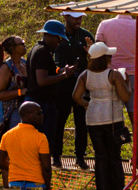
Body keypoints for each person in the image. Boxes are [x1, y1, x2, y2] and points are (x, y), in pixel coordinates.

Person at [71, 43, 130, 190]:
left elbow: (76, 96)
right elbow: (125, 97)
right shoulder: (114, 74)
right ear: (104, 58)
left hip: (93, 119)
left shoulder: (85, 75)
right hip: (113, 119)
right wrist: (127, 83)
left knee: (101, 157)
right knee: (114, 156)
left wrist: (88, 104)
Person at [94, 14, 138, 127]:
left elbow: (98, 49)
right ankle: (137, 145)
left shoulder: (104, 25)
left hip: (111, 76)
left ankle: (115, 144)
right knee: (135, 118)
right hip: (134, 76)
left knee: (112, 118)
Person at [24, 20, 75, 167]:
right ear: (51, 36)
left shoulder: (36, 49)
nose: (59, 43)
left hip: (36, 101)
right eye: (58, 39)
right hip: (42, 103)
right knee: (44, 143)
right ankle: (41, 173)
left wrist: (60, 70)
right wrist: (65, 76)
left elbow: (44, 71)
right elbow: (42, 80)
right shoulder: (43, 52)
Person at [54, 12, 93, 170]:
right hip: (61, 86)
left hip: (82, 86)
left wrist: (92, 52)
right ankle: (56, 157)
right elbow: (50, 62)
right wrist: (60, 70)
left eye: (80, 18)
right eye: (74, 18)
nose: (78, 21)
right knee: (59, 122)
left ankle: (80, 157)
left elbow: (96, 61)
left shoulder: (86, 36)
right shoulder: (57, 35)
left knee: (81, 123)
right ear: (65, 17)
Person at [0, 35, 29, 154]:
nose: (25, 45)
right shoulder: (6, 68)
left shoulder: (24, 63)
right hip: (8, 111)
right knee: (12, 145)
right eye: (21, 43)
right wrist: (20, 92)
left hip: (23, 108)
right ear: (13, 49)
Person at [0, 101, 50, 190]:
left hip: (14, 184)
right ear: (28, 115)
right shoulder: (41, 137)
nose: (42, 116)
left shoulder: (7, 135)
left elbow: (0, 163)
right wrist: (48, 187)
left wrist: (16, 169)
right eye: (39, 113)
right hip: (35, 184)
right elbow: (46, 167)